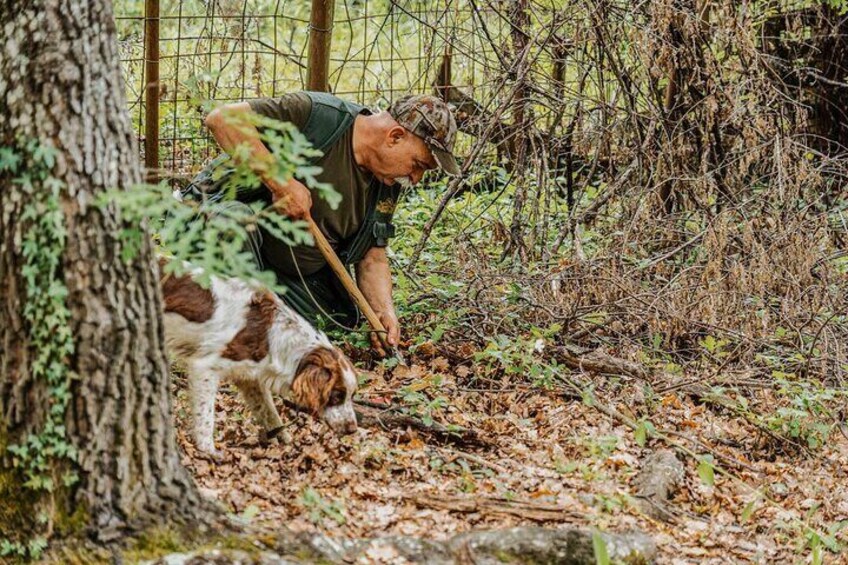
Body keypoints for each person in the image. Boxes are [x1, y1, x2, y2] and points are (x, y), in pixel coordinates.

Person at [190, 91, 460, 354]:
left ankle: (257, 321)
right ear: (395, 136)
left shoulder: (386, 182)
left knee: (340, 323)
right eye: (418, 164)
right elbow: (221, 120)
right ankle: (227, 334)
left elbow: (372, 258)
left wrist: (383, 311)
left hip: (286, 275)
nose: (415, 178)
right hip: (218, 233)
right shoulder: (317, 116)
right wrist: (281, 182)